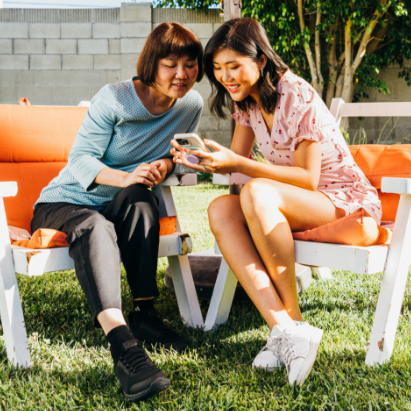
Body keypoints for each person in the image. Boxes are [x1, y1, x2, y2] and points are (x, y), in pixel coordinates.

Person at [171, 18, 381, 386]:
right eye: (218, 69)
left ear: (261, 61)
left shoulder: (295, 94)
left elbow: (307, 180)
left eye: (234, 66)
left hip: (342, 200)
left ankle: (294, 322)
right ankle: (284, 329)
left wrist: (240, 166)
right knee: (219, 207)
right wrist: (204, 161)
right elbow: (235, 172)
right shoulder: (247, 104)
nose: (226, 77)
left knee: (257, 191)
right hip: (293, 201)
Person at [31, 22, 204, 402]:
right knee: (95, 223)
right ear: (151, 63)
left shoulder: (191, 105)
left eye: (190, 64)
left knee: (144, 201)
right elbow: (79, 161)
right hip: (65, 202)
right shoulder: (113, 99)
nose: (181, 74)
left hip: (120, 201)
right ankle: (123, 345)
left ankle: (146, 314)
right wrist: (126, 177)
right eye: (170, 64)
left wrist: (167, 166)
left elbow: (176, 152)